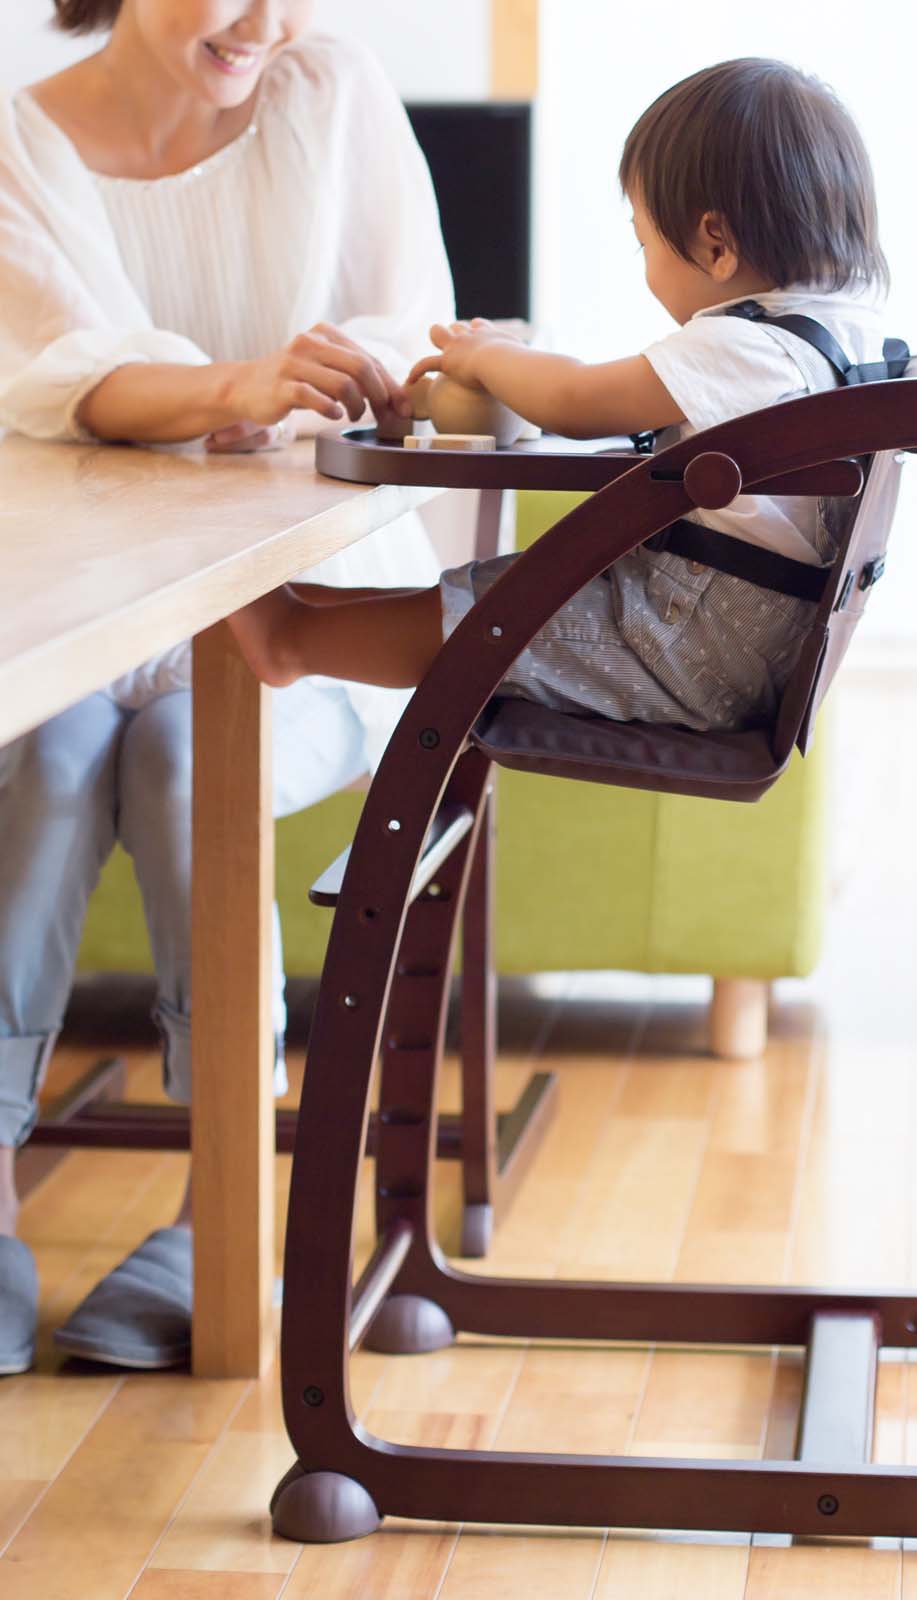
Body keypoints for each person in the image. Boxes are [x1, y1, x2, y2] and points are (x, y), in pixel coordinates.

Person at [0, 0, 454, 1375]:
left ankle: (221, 1205)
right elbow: (55, 378)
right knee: (58, 752)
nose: (264, 19)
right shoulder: (21, 142)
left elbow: (407, 331)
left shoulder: (334, 94)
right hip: (100, 609)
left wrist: (307, 381)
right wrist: (233, 387)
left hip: (319, 610)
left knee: (189, 759)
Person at [230, 57, 890, 743]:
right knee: (506, 591)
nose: (644, 265)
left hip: (692, 648)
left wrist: (490, 356)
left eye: (644, 240)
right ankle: (302, 624)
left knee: (500, 610)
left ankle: (291, 639)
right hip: (741, 644)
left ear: (716, 244)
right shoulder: (838, 337)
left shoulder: (745, 349)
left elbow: (577, 399)